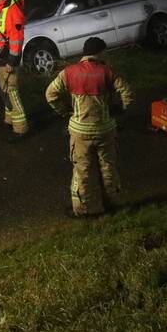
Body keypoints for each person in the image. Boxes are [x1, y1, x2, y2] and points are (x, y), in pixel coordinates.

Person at [45, 37, 134, 218]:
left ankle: (81, 210)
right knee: (108, 167)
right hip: (105, 129)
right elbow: (127, 93)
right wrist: (120, 109)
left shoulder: (68, 73)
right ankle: (114, 205)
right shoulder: (107, 72)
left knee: (81, 171)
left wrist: (65, 112)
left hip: (80, 131)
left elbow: (50, 94)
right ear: (100, 53)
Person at [0, 0, 29, 141]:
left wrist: (12, 62)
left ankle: (21, 128)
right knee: (5, 91)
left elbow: (16, 39)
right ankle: (9, 120)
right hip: (0, 60)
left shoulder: (12, 11)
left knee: (11, 92)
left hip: (6, 61)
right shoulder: (3, 9)